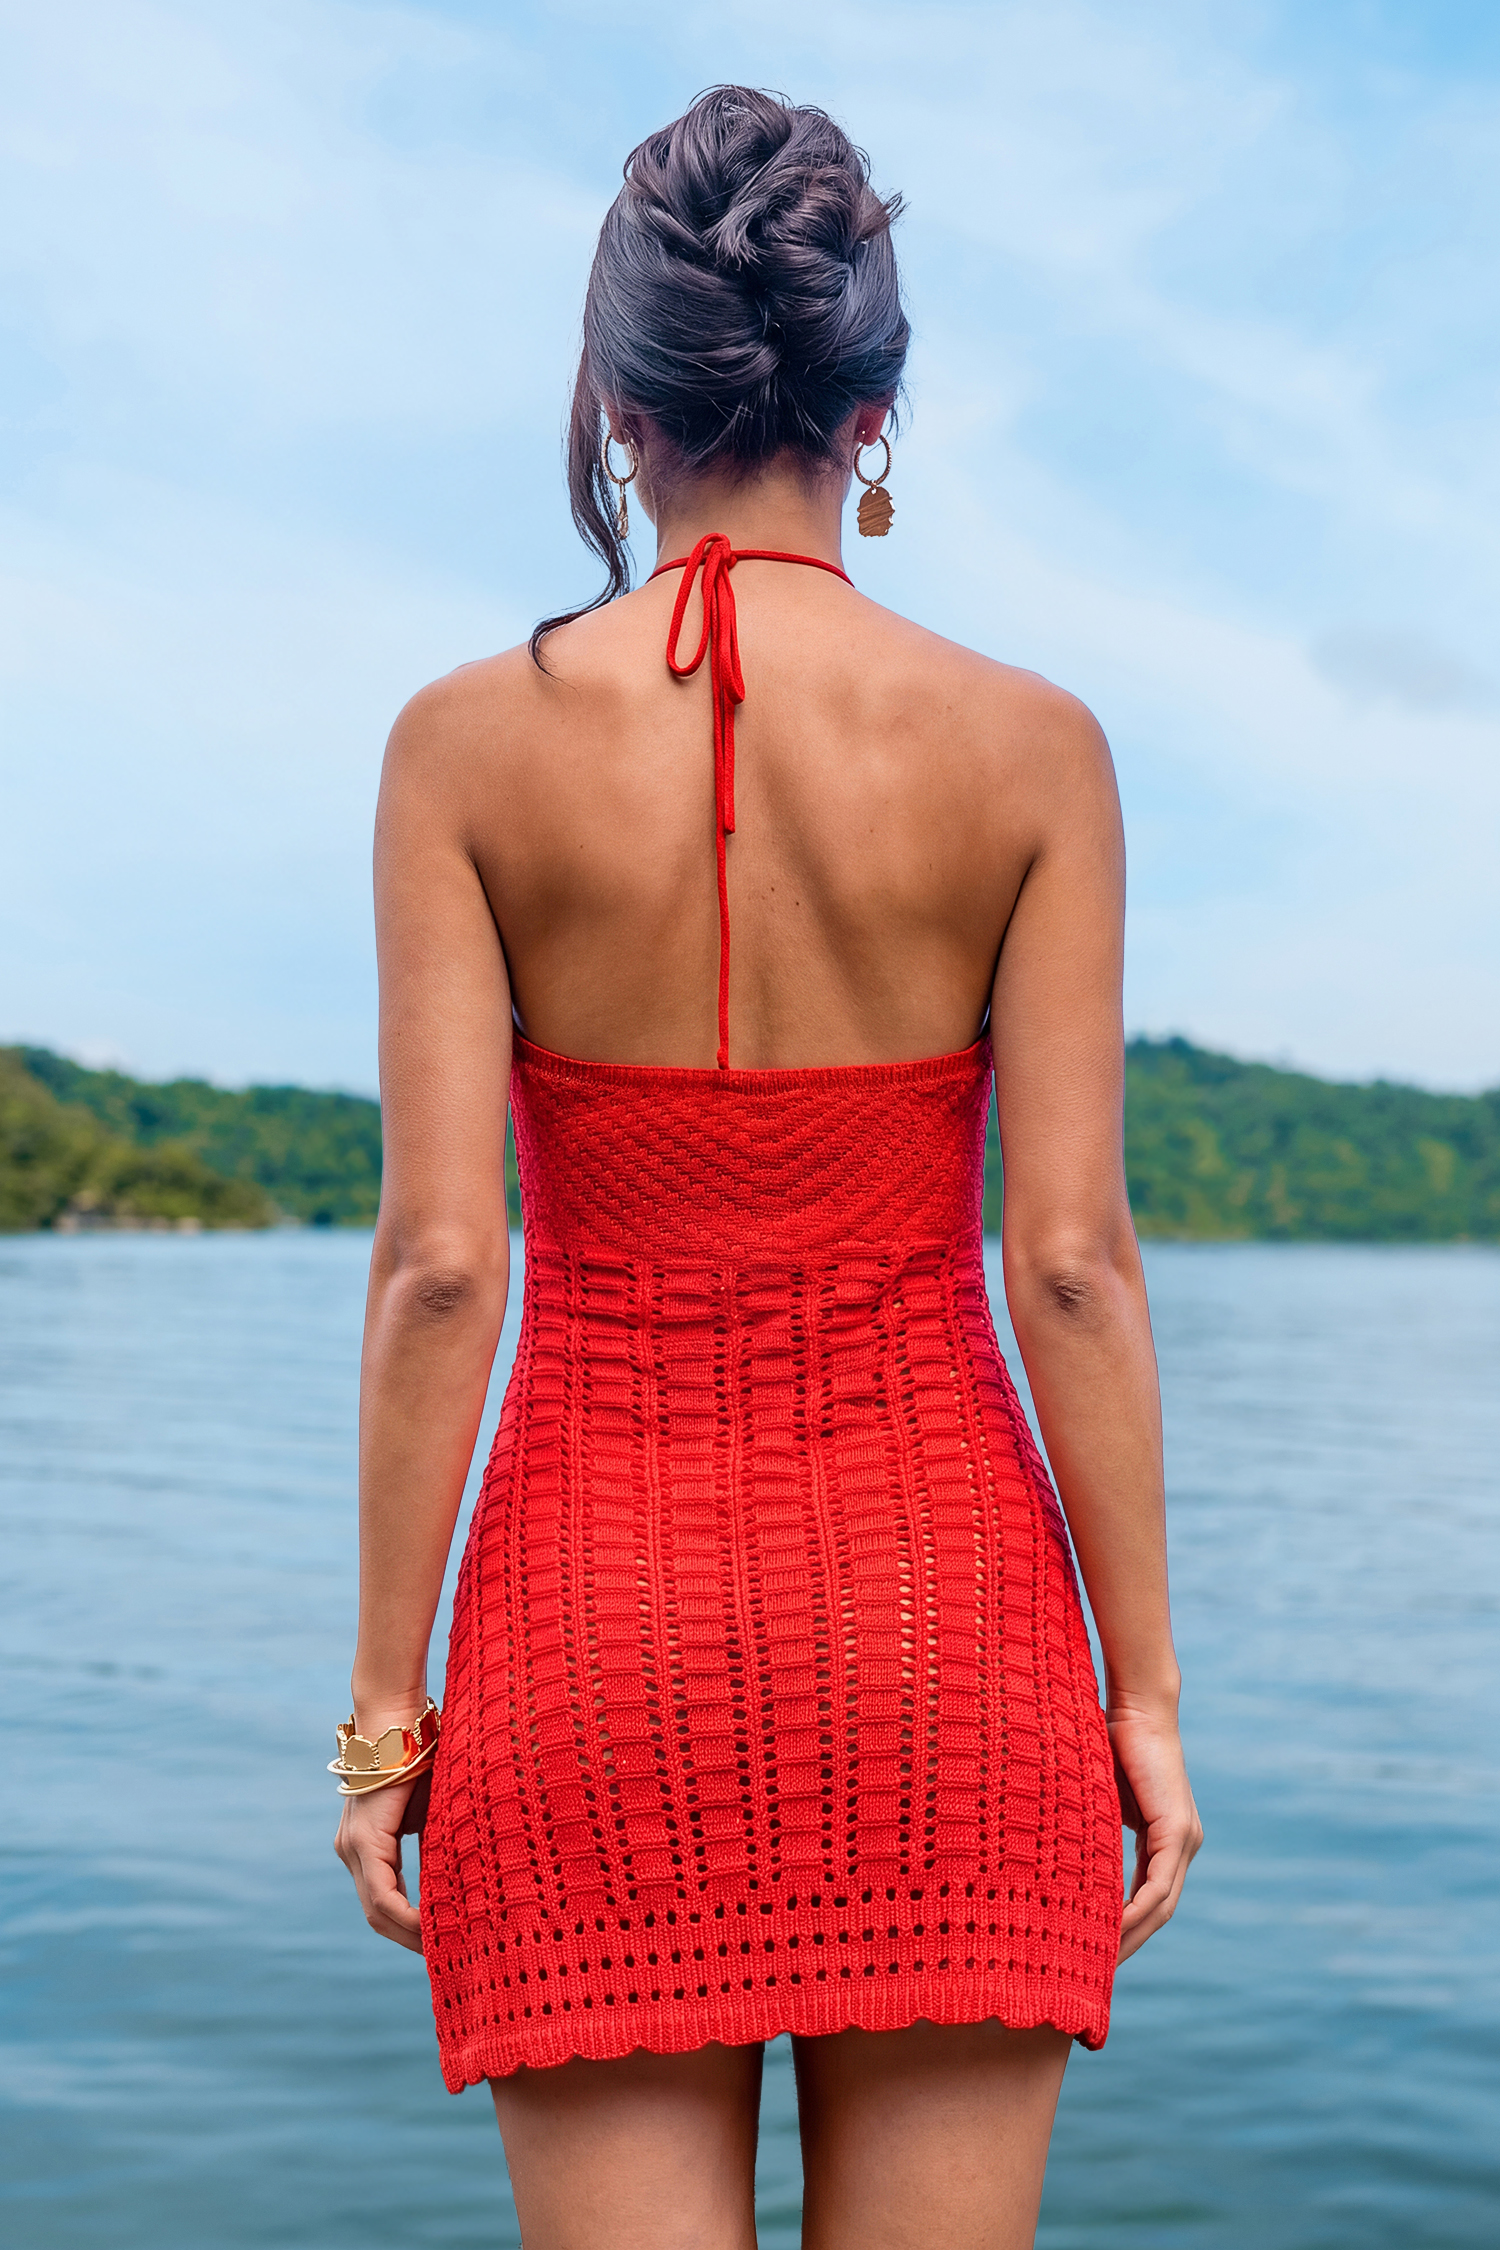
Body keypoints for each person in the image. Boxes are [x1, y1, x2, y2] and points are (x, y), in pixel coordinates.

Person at [335, 84, 1201, 2250]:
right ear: (872, 411)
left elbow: (440, 1262)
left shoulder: (462, 747)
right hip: (949, 1646)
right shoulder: (1035, 750)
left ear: (620, 409)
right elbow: (1071, 1262)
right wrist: (1146, 1695)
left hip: (586, 1652)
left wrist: (382, 1718)